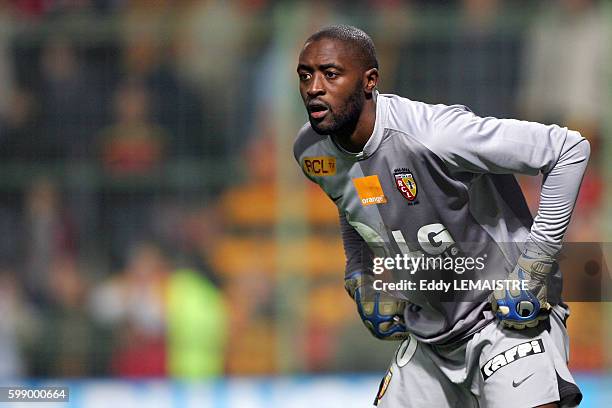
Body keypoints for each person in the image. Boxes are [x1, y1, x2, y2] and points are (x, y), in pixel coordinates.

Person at [293, 25, 589, 407]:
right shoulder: (311, 151)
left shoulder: (436, 134)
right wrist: (360, 273)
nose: (314, 87)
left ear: (370, 81)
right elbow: (348, 201)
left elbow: (568, 149)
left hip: (503, 321)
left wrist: (535, 266)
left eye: (331, 74)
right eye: (305, 75)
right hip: (429, 332)